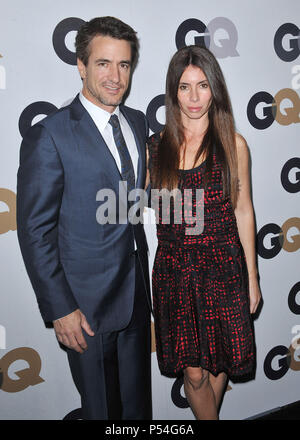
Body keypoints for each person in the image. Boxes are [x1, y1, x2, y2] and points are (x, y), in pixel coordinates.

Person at [17, 16, 152, 420]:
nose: (115, 76)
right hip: (84, 308)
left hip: (135, 294)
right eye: (103, 64)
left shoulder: (136, 121)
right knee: (103, 410)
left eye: (124, 65)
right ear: (81, 65)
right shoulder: (51, 135)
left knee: (137, 408)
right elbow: (35, 230)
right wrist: (60, 308)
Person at [147, 45, 261, 420]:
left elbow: (243, 211)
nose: (194, 97)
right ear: (173, 91)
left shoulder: (233, 144)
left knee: (221, 362)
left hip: (224, 269)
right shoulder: (156, 148)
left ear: (215, 89)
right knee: (193, 373)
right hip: (175, 272)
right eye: (184, 87)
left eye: (203, 86)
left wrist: (253, 280)